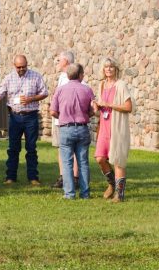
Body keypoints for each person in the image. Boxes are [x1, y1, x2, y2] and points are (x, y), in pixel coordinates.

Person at [0, 54, 48, 185]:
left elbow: (44, 93)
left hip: (31, 116)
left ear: (27, 64)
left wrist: (31, 99)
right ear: (14, 66)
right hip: (15, 117)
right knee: (13, 148)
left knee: (31, 148)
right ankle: (10, 177)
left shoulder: (36, 76)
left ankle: (33, 177)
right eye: (19, 67)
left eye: (24, 66)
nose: (21, 69)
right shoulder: (8, 78)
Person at [50, 63, 95, 199]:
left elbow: (53, 111)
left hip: (66, 128)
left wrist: (63, 117)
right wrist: (86, 115)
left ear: (68, 75)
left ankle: (69, 193)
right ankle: (85, 193)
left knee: (67, 162)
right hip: (82, 128)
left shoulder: (60, 90)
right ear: (80, 75)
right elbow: (93, 110)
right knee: (83, 162)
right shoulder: (87, 90)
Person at [93, 58, 134, 202]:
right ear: (103, 70)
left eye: (111, 67)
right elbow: (101, 105)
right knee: (100, 158)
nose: (108, 69)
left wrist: (109, 104)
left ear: (116, 69)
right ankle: (111, 184)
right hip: (104, 127)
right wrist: (97, 106)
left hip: (117, 128)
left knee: (118, 160)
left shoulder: (121, 85)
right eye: (106, 67)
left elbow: (128, 107)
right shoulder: (102, 85)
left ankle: (119, 194)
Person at [51, 50, 76, 189]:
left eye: (59, 60)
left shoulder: (72, 77)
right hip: (59, 119)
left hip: (67, 120)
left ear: (66, 61)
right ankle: (63, 177)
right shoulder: (62, 76)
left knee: (73, 150)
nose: (57, 63)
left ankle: (74, 177)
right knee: (61, 149)